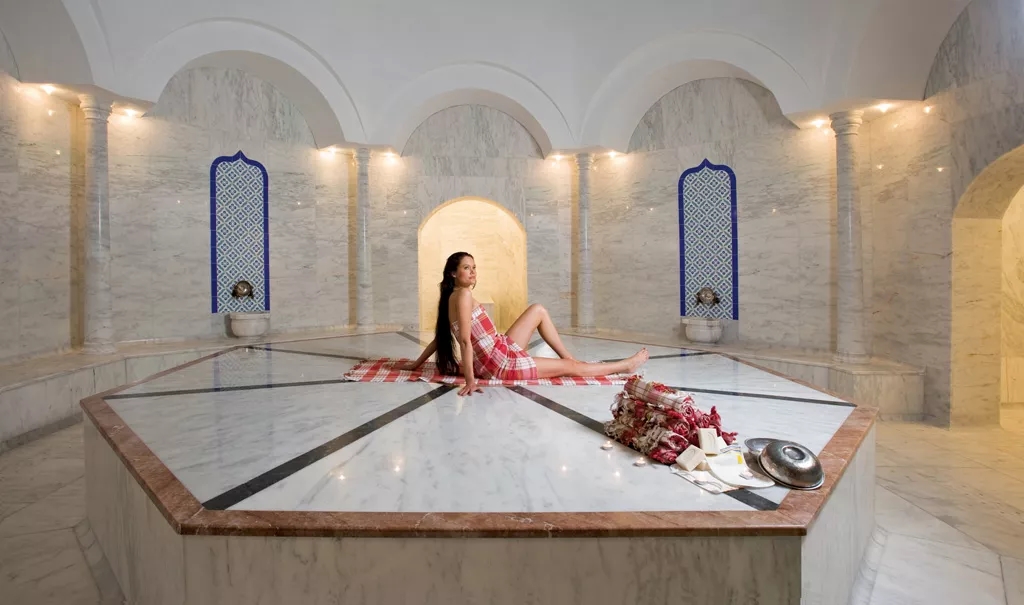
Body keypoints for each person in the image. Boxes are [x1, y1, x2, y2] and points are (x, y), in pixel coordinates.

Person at [404, 251, 649, 396]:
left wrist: (416, 364)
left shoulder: (452, 297)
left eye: (474, 267)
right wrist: (470, 381)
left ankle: (569, 358)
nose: (473, 272)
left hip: (498, 350)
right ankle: (624, 366)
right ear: (453, 273)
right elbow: (466, 341)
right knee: (571, 369)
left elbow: (440, 338)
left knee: (537, 310)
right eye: (466, 268)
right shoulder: (464, 295)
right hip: (498, 363)